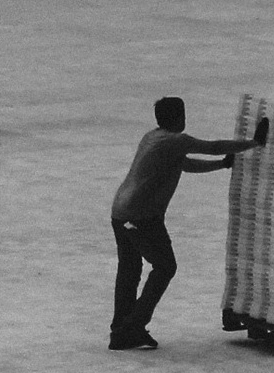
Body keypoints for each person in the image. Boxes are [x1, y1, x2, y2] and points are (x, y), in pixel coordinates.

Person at [109, 97, 265, 350]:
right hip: (141, 216)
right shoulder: (176, 141)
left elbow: (184, 165)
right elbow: (214, 146)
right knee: (165, 267)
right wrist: (253, 144)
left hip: (120, 212)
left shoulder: (153, 138)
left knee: (129, 270)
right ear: (178, 118)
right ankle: (133, 327)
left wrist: (222, 165)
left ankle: (120, 330)